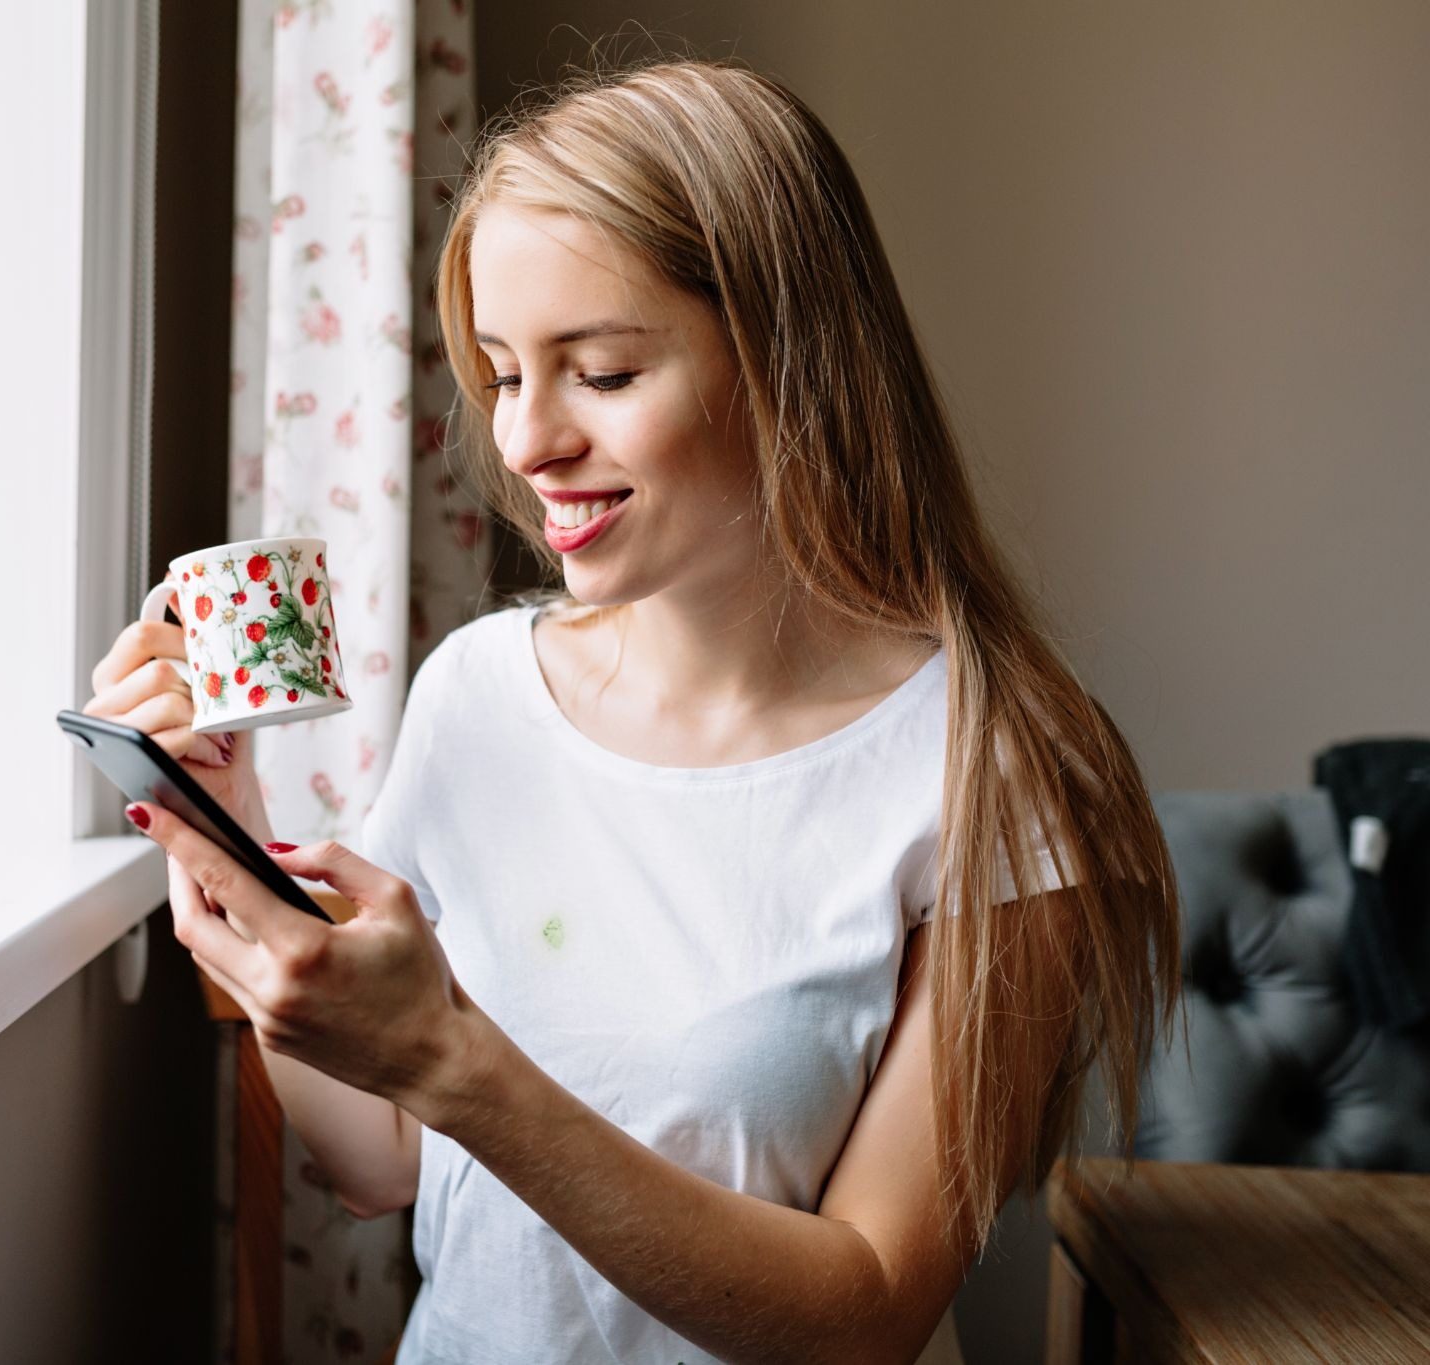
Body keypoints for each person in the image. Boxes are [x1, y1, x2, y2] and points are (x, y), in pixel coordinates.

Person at [84, 57, 1181, 1365]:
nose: (526, 441)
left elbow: (868, 1308)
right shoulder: (479, 696)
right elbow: (373, 1159)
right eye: (500, 373)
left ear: (789, 362)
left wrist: (455, 1062)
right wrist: (223, 829)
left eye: (600, 372)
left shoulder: (1001, 768)